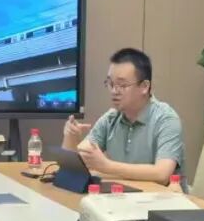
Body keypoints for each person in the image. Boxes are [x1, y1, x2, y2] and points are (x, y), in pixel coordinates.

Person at [62, 47, 184, 185]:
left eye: (122, 85)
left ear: (144, 86)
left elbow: (162, 174)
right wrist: (71, 137)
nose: (114, 91)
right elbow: (78, 163)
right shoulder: (111, 118)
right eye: (110, 83)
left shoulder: (166, 119)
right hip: (122, 194)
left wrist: (107, 166)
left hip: (160, 197)